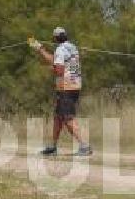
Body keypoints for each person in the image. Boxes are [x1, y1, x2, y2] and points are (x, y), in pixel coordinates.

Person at [28, 27, 92, 156]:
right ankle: (53, 147)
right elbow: (55, 60)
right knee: (58, 117)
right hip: (74, 86)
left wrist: (49, 69)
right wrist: (39, 48)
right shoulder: (72, 47)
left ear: (55, 38)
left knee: (68, 118)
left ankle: (84, 146)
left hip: (66, 87)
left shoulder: (60, 49)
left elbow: (59, 71)